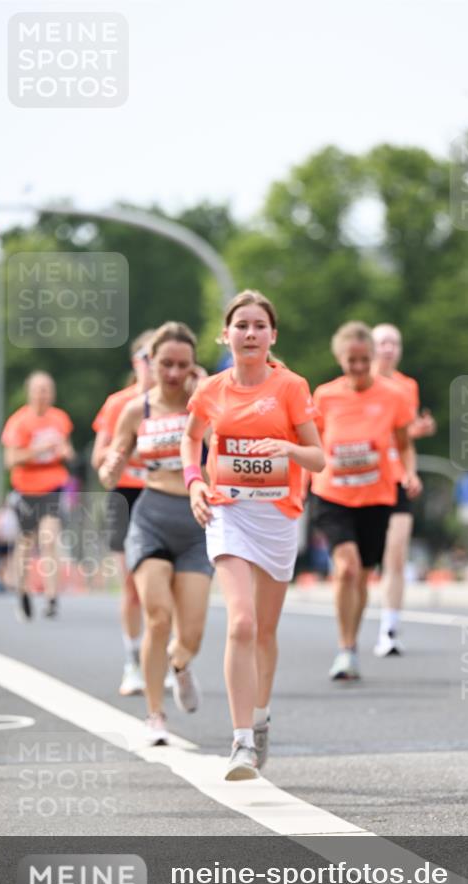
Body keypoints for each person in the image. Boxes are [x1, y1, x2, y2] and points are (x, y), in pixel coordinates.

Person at [181, 289, 324, 780]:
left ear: (272, 336)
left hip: (277, 517)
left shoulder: (290, 387)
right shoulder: (212, 390)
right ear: (226, 334)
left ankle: (260, 717)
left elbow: (318, 457)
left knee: (264, 630)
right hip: (228, 514)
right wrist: (195, 481)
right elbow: (191, 437)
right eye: (240, 325)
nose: (249, 333)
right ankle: (241, 741)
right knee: (240, 623)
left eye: (259, 325)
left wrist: (284, 448)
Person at [99, 322, 212, 747]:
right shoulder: (136, 409)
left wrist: (205, 391)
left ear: (192, 365)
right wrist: (110, 467)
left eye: (182, 365)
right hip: (150, 518)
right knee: (158, 616)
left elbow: (223, 443)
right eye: (165, 363)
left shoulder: (205, 405)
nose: (173, 372)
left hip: (197, 522)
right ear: (150, 363)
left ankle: (180, 666)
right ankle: (155, 715)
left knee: (192, 633)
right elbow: (115, 456)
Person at [310, 321, 420, 681]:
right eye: (350, 360)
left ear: (372, 358)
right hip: (332, 494)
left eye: (363, 360)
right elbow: (314, 444)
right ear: (339, 358)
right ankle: (345, 650)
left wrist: (410, 473)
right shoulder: (325, 396)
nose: (358, 367)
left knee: (363, 575)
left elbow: (403, 444)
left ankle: (352, 643)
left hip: (376, 495)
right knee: (347, 568)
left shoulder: (394, 396)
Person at [92, 331, 155, 696]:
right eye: (146, 356)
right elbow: (98, 457)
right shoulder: (119, 404)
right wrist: (125, 451)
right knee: (132, 585)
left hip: (165, 493)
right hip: (126, 495)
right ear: (136, 362)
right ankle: (133, 661)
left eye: (157, 356)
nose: (152, 364)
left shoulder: (179, 402)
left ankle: (161, 659)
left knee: (166, 585)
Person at [371, 323, 436, 656]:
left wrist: (418, 430)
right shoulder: (356, 386)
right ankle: (349, 637)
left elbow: (402, 435)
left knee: (395, 555)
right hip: (363, 482)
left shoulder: (406, 386)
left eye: (394, 343)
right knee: (355, 565)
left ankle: (389, 630)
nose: (388, 348)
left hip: (396, 478)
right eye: (382, 342)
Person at [1, 371, 75, 620]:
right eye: (39, 389)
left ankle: (52, 597)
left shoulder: (60, 419)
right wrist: (39, 450)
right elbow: (10, 459)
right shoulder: (19, 422)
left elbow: (68, 451)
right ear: (30, 392)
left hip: (53, 487)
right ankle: (21, 591)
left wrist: (65, 452)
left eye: (47, 389)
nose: (44, 394)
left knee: (49, 539)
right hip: (26, 490)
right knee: (26, 542)